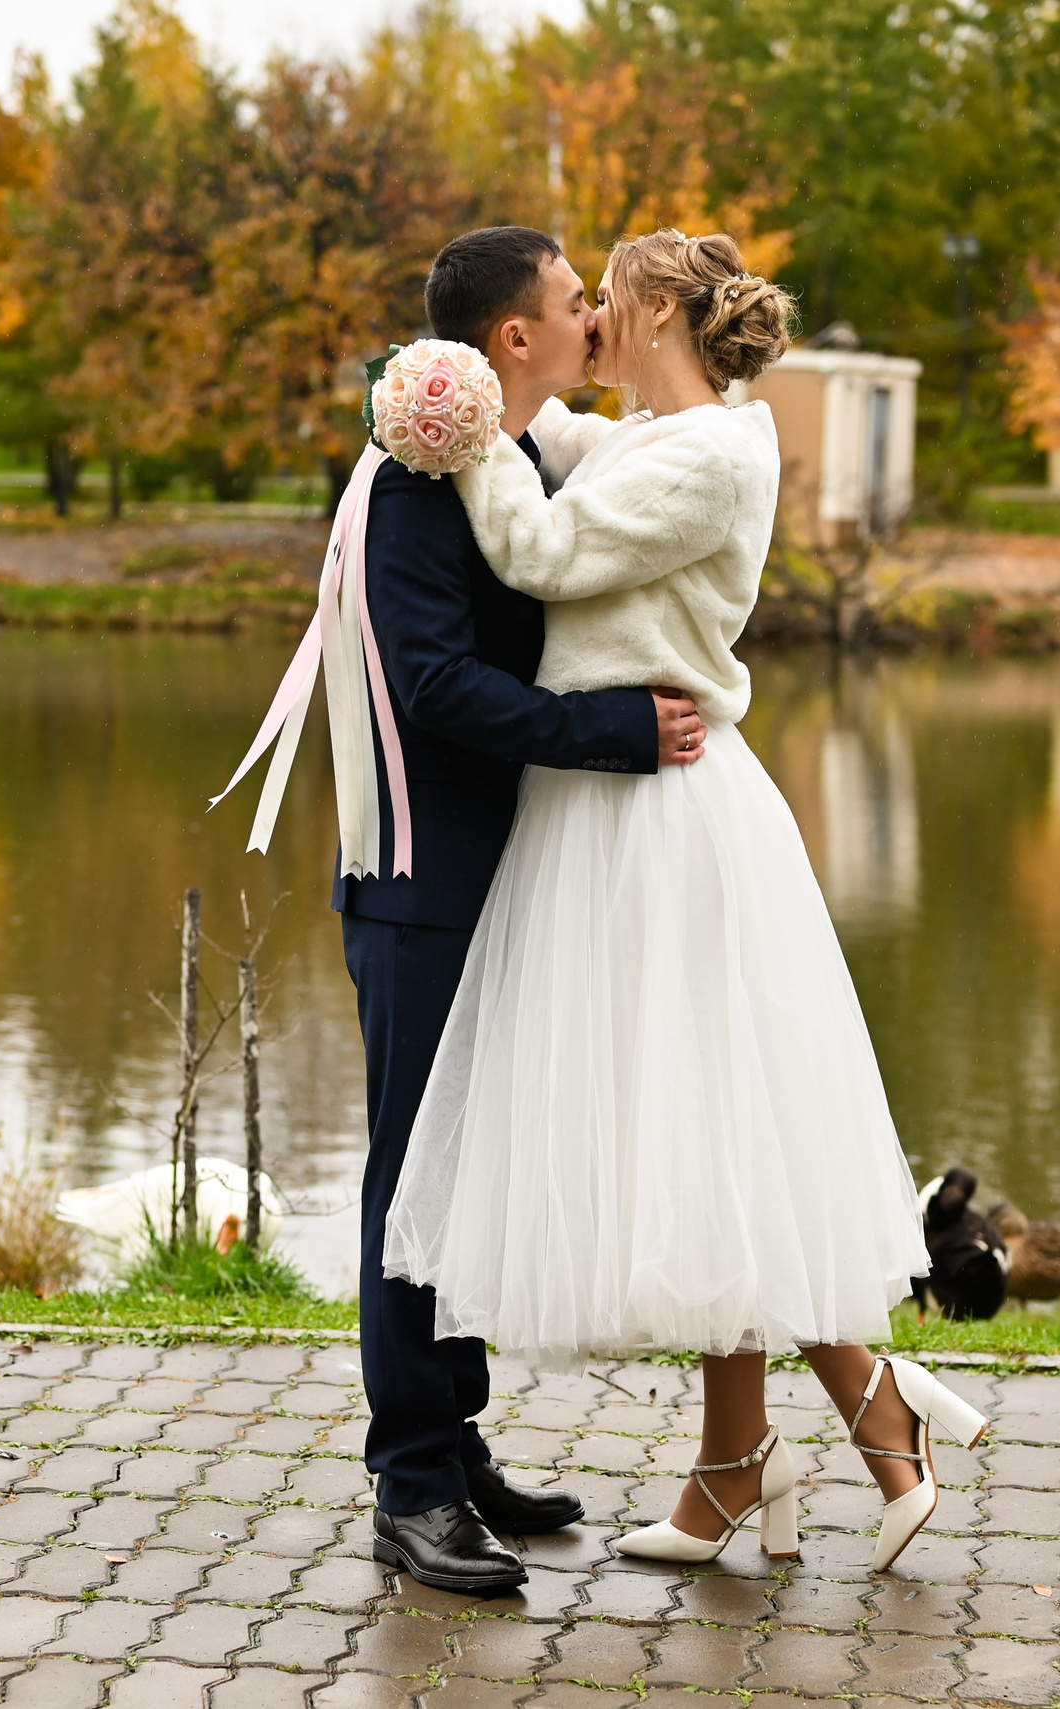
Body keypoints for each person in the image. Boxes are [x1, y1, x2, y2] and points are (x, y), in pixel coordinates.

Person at [384, 229, 984, 1576]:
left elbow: (536, 551)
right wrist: (463, 396)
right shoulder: (654, 437)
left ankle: (849, 1426)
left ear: (655, 305)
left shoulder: (715, 452)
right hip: (605, 810)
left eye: (604, 293)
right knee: (699, 1141)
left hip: (661, 812)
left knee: (709, 1134)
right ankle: (745, 1460)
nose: (589, 314)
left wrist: (459, 423)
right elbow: (566, 449)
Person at [339, 226, 712, 1596]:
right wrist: (613, 729)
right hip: (422, 887)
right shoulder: (417, 478)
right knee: (407, 1184)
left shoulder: (511, 458)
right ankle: (413, 1486)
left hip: (493, 879)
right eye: (573, 303)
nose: (593, 319)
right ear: (515, 338)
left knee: (464, 1179)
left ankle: (458, 1445)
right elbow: (433, 685)